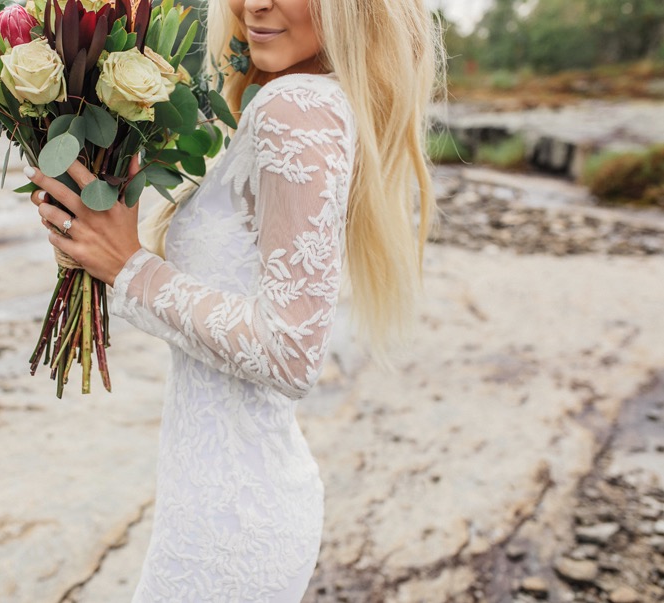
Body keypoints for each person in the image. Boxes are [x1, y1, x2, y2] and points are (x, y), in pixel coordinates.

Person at [24, 0, 443, 598]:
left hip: (230, 525)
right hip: (212, 503)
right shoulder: (301, 98)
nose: (255, 5)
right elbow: (220, 293)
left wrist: (130, 267)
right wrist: (92, 245)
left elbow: (291, 352)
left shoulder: (295, 107)